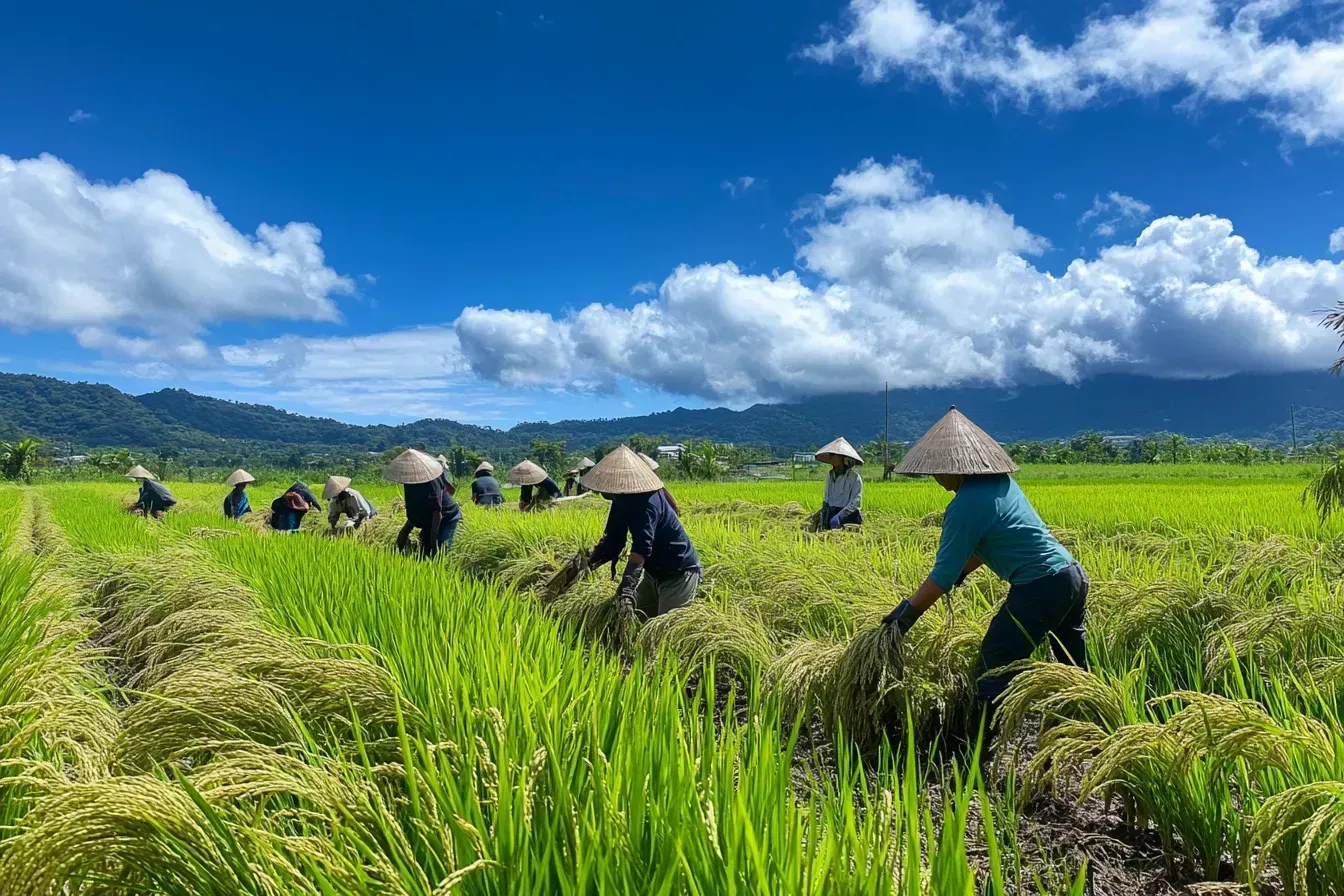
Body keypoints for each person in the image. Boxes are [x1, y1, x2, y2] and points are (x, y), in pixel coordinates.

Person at [881, 406, 1088, 752]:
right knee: (1073, 670)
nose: (937, 481)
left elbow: (940, 577)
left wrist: (904, 619)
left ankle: (976, 752)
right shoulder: (1000, 483)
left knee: (994, 662)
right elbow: (989, 543)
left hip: (1041, 586)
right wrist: (964, 569)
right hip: (1072, 576)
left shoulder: (964, 505)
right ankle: (1087, 736)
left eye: (936, 473)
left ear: (951, 468)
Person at [586, 445, 700, 619]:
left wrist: (627, 586)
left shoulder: (646, 503)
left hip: (677, 574)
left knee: (663, 633)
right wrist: (587, 564)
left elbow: (641, 547)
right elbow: (614, 540)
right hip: (653, 572)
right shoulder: (621, 499)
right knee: (638, 620)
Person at [387, 449, 462, 558]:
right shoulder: (410, 483)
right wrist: (396, 550)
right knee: (425, 552)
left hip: (447, 516)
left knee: (441, 550)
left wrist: (433, 544)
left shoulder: (431, 483)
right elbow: (412, 512)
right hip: (427, 516)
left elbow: (437, 513)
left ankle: (442, 568)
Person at [812, 437, 864, 530]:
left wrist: (840, 516)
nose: (831, 458)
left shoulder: (855, 478)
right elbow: (827, 497)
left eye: (834, 455)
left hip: (849, 516)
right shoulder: (830, 475)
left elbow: (855, 502)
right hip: (832, 513)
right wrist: (823, 512)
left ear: (842, 458)